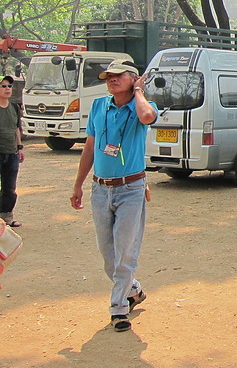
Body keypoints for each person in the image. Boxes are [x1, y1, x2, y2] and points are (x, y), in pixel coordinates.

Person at [70, 59, 157, 332]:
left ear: (134, 78)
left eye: (119, 76)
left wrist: (140, 93)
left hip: (131, 189)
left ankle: (118, 309)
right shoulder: (99, 106)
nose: (111, 80)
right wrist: (78, 185)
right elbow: (90, 147)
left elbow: (147, 118)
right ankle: (133, 289)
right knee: (108, 254)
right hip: (100, 188)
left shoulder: (142, 105)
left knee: (124, 252)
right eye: (108, 76)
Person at [0, 76, 24, 228]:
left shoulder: (14, 107)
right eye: (3, 86)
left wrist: (20, 147)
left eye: (9, 86)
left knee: (10, 187)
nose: (7, 89)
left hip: (12, 153)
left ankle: (6, 217)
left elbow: (16, 128)